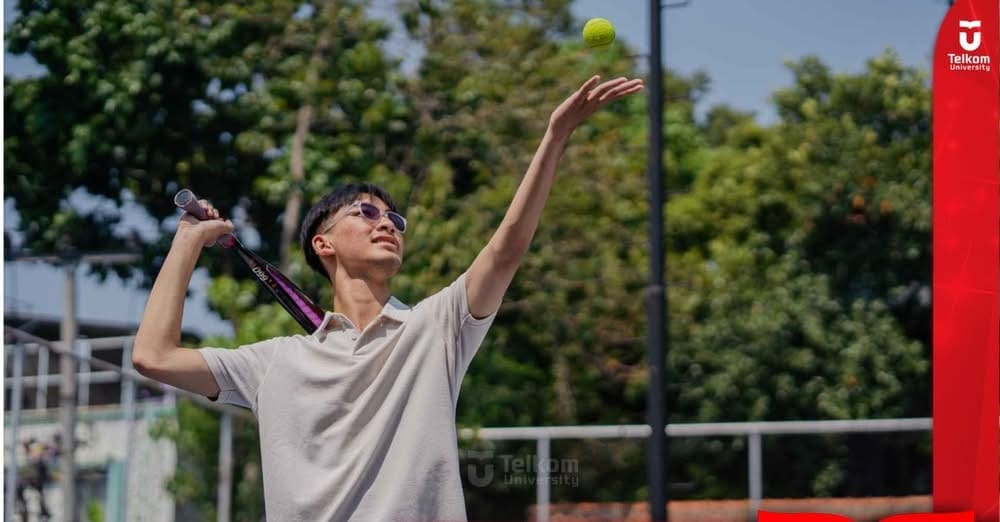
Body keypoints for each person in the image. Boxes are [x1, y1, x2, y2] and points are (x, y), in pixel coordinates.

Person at [133, 75, 643, 521]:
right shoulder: (275, 363)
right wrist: (187, 241)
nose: (388, 226)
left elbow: (506, 249)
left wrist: (555, 136)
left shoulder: (436, 328)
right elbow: (153, 356)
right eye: (366, 213)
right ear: (323, 243)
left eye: (395, 220)